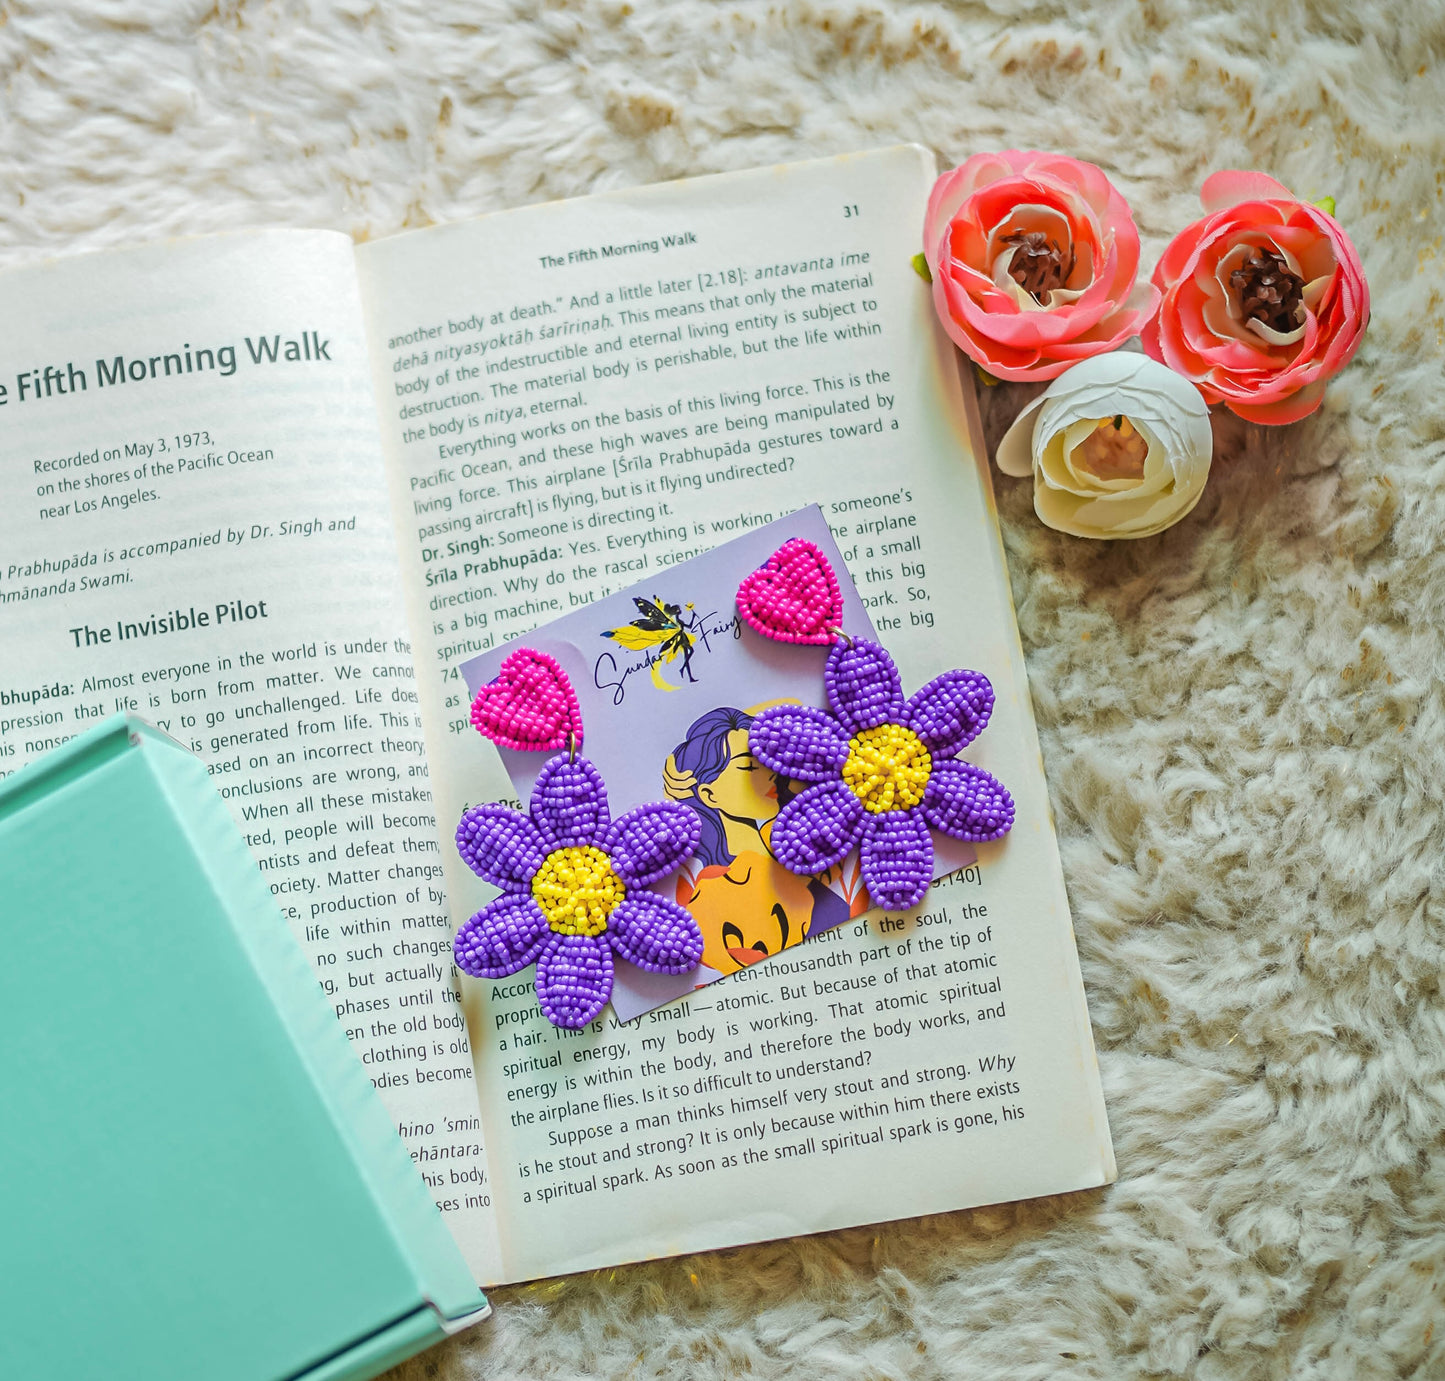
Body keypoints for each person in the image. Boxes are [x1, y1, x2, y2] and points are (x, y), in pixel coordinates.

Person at [664, 704, 857, 974]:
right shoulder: (713, 894)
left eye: (766, 761)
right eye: (748, 767)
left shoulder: (808, 839)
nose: (769, 773)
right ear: (709, 794)